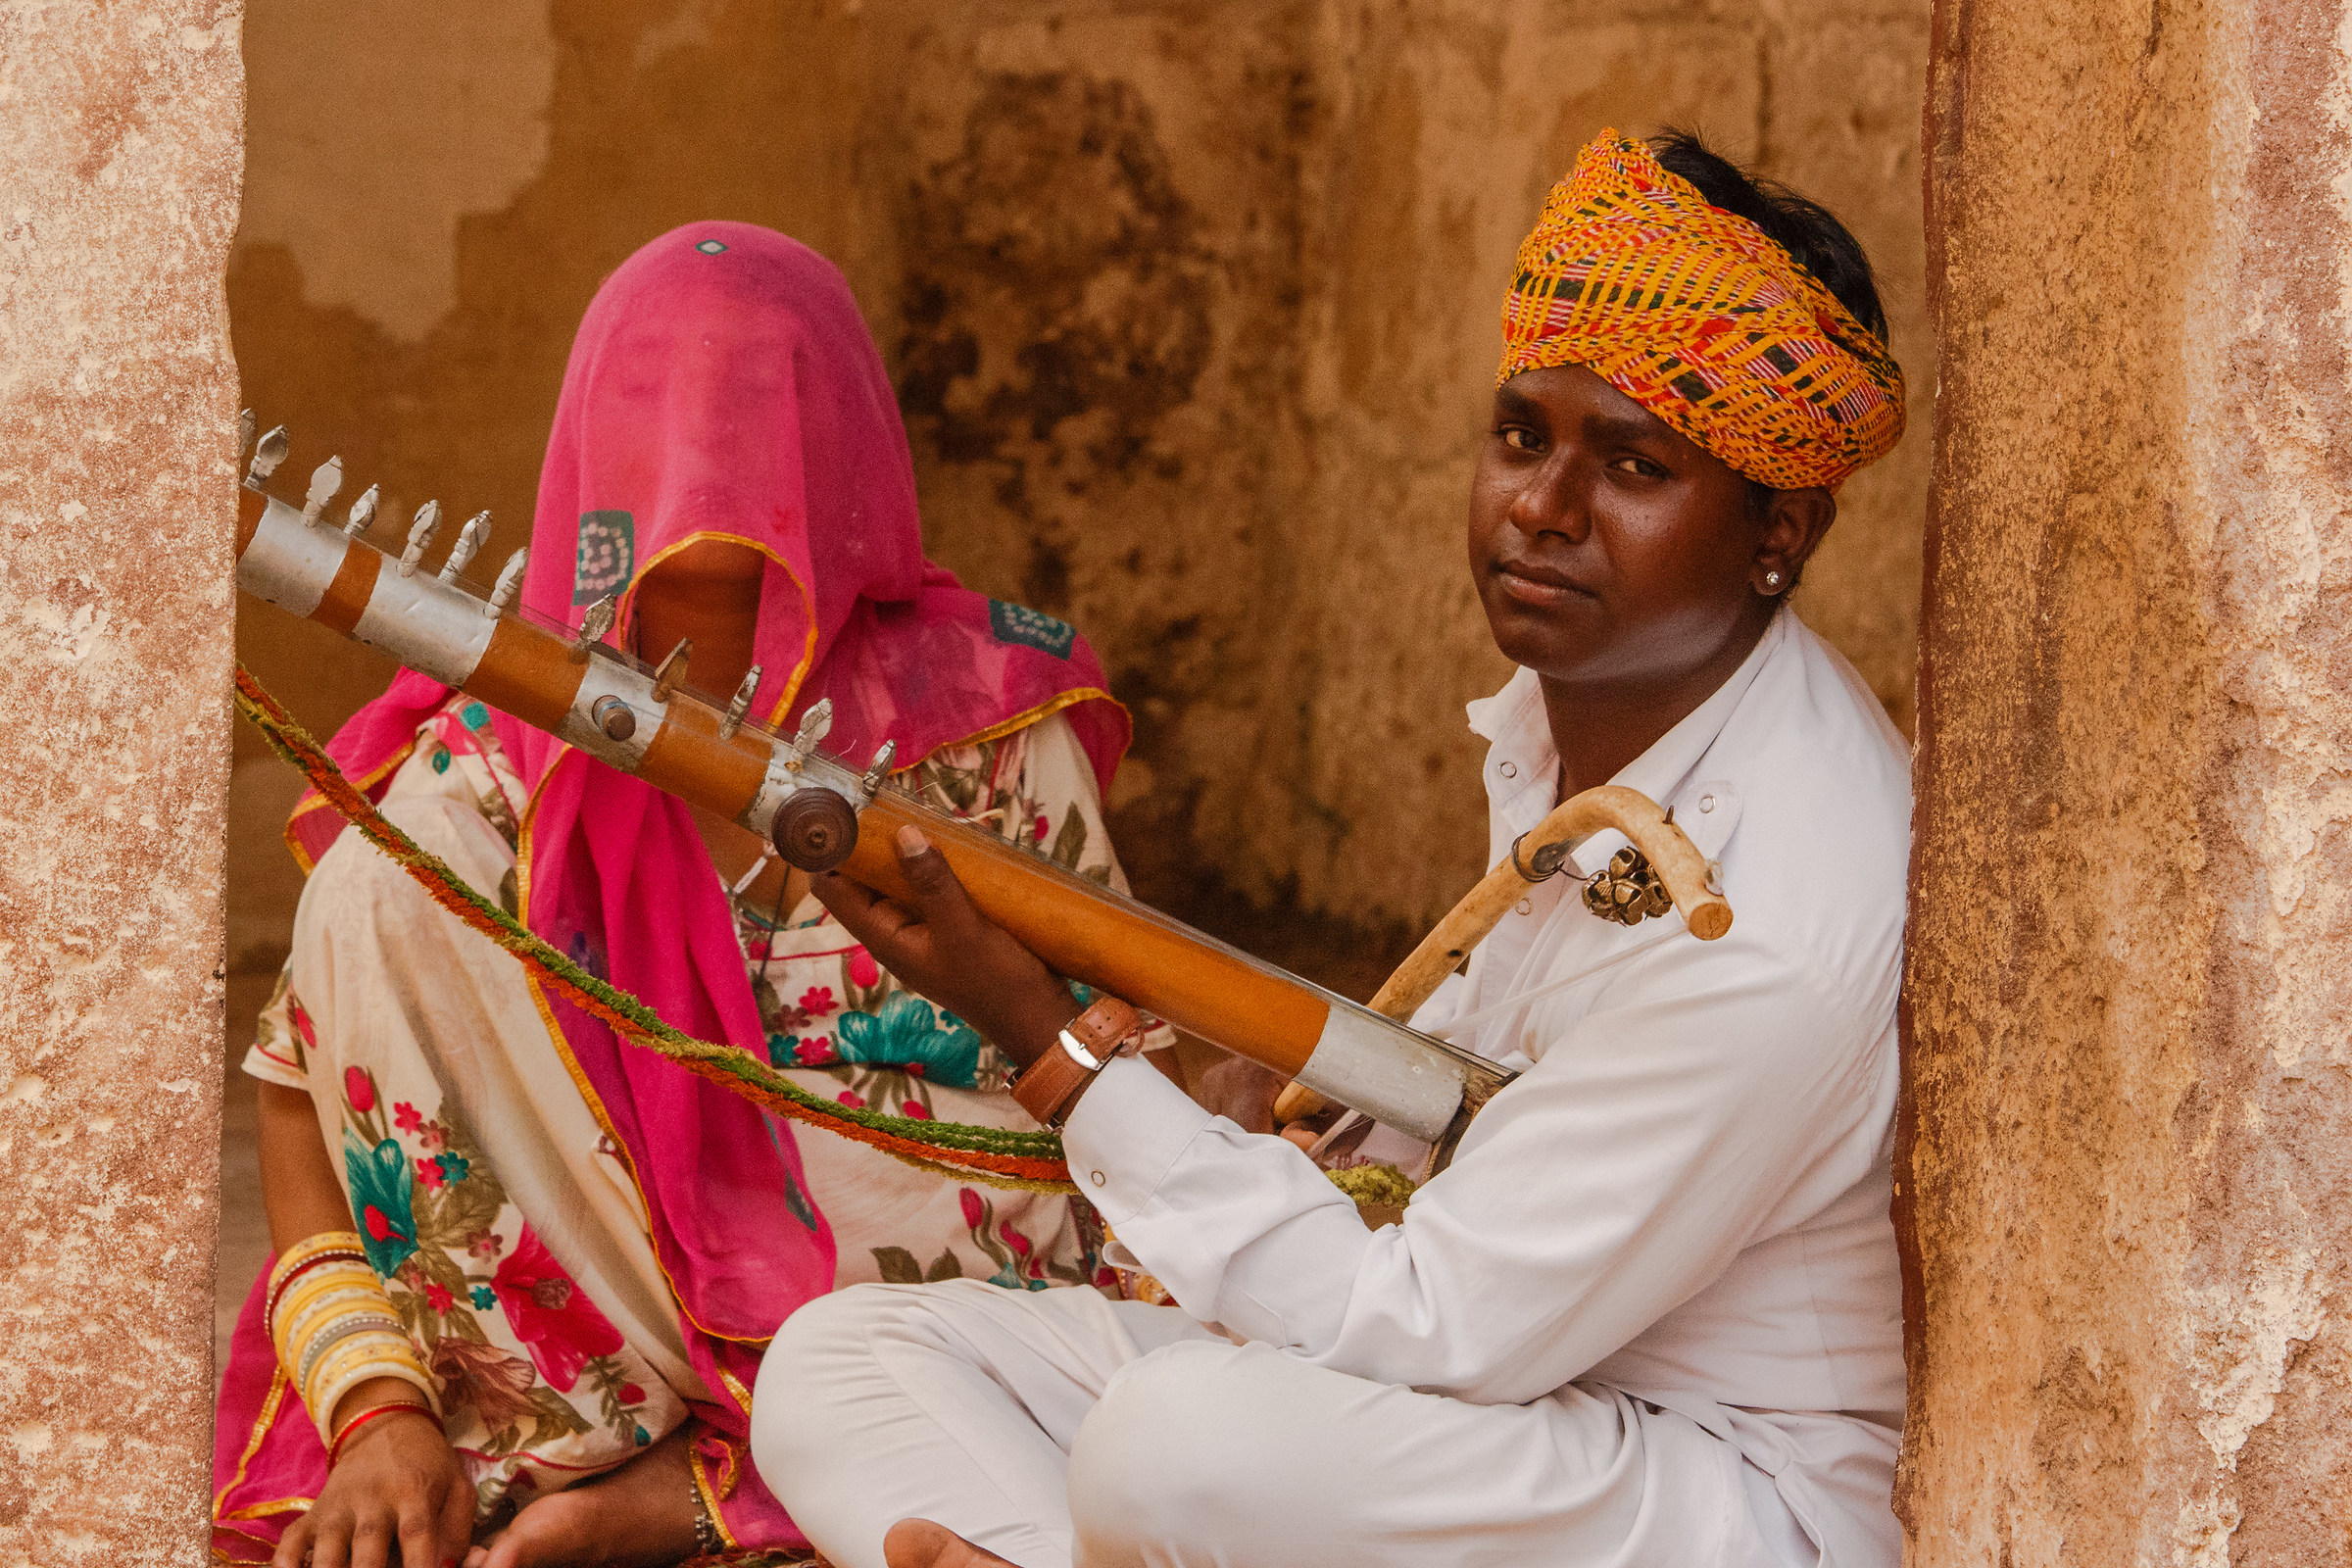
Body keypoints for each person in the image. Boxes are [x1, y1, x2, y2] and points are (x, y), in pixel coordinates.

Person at [749, 127, 1913, 1568]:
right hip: (1523, 1392)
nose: (1540, 510)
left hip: (1711, 1484)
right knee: (845, 1363)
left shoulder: (1769, 916)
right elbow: (1489, 1148)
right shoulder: (1592, 724)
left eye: (1633, 465)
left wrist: (1049, 1046)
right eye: (1520, 437)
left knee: (1175, 1449)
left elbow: (1432, 1320)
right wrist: (1322, 1123)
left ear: (1776, 532)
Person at [212, 221, 1167, 1568]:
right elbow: (298, 1085)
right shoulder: (461, 793)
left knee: (1214, 1296)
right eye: (674, 416)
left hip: (909, 1343)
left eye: (759, 420)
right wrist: (377, 1411)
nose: (718, 470)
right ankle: (597, 1454)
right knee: (387, 892)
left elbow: (1123, 1093)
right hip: (570, 1393)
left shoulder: (986, 737)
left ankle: (712, 1492)